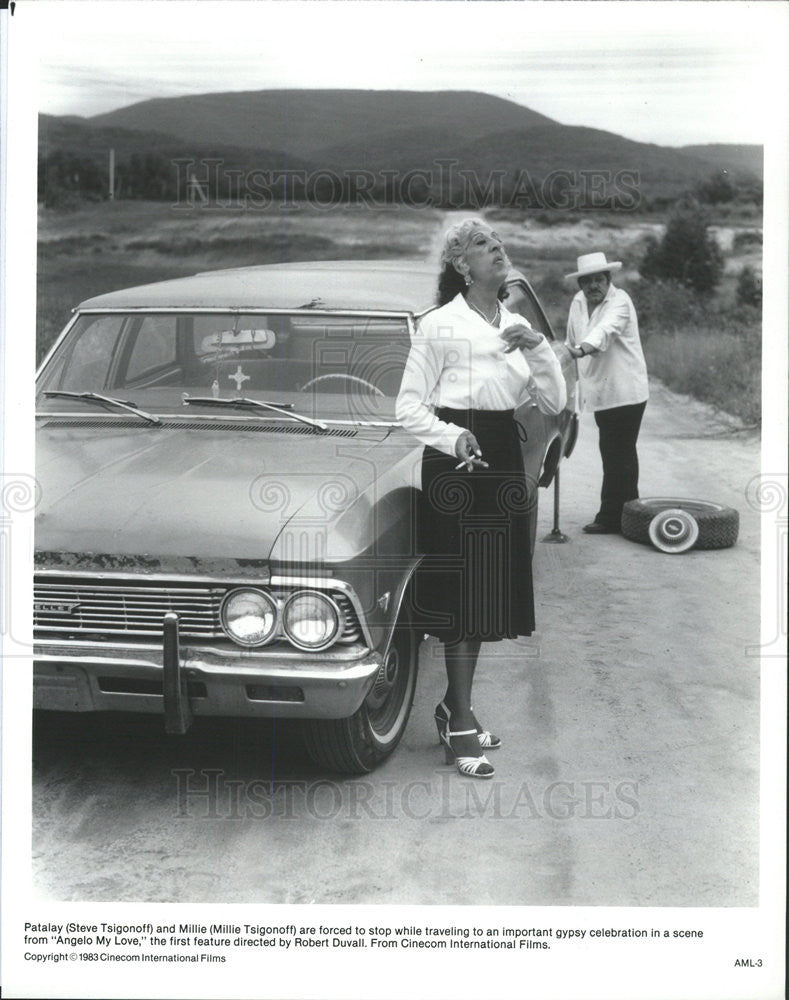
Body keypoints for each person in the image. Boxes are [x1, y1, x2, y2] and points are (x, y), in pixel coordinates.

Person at [396, 219, 566, 779]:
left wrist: (539, 348)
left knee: (487, 591)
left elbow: (555, 398)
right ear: (462, 266)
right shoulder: (437, 325)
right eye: (483, 247)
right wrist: (451, 436)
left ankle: (453, 707)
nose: (498, 252)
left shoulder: (516, 324)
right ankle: (461, 720)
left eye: (499, 245)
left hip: (500, 452)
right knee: (461, 592)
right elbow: (408, 408)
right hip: (456, 456)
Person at [565, 252, 649, 534]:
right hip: (600, 391)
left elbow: (604, 331)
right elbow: (570, 339)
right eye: (586, 281)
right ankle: (630, 514)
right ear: (580, 285)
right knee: (616, 452)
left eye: (598, 280)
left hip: (626, 391)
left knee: (618, 453)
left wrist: (578, 351)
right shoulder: (578, 303)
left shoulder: (620, 301)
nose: (593, 286)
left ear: (608, 280)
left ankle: (612, 516)